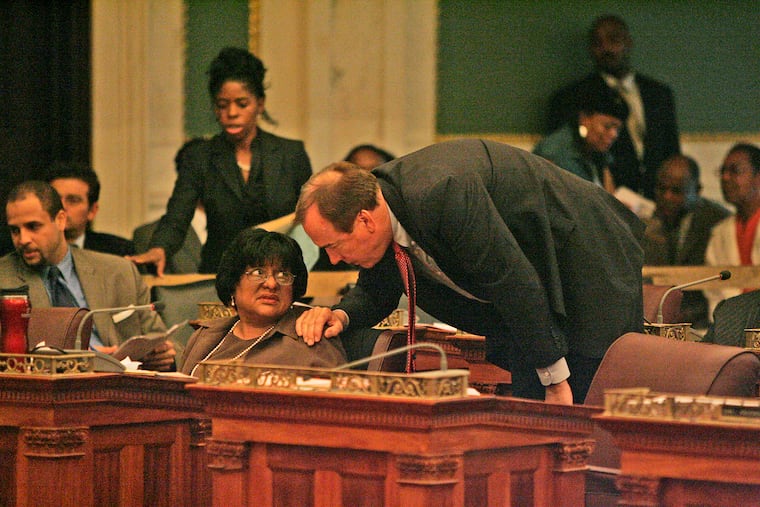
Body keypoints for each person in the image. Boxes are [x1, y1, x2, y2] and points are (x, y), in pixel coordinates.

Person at [293, 139, 644, 405]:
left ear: (364, 220)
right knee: (530, 422)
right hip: (530, 305)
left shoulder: (440, 193)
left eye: (332, 246)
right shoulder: (383, 205)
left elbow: (511, 280)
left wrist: (554, 380)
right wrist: (340, 315)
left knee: (581, 420)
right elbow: (378, 288)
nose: (333, 260)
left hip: (586, 264)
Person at [128, 47, 312, 276]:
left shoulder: (290, 154)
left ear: (260, 104)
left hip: (280, 274)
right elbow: (178, 215)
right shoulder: (200, 157)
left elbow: (311, 220)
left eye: (242, 104)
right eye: (222, 105)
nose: (231, 113)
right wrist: (159, 248)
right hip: (221, 275)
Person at [0, 181, 174, 370]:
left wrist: (164, 355)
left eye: (33, 227)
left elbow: (164, 340)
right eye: (15, 230)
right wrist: (89, 358)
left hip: (125, 384)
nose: (23, 239)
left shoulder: (119, 272)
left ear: (60, 220)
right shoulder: (5, 278)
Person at [547, 14, 680, 200]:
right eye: (597, 43)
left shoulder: (659, 94)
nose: (606, 48)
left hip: (656, 201)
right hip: (602, 201)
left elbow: (671, 151)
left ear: (628, 42)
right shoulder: (572, 97)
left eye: (613, 40)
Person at [180, 228, 347, 376]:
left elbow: (337, 405)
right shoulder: (205, 336)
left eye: (283, 275)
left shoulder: (313, 336)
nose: (272, 284)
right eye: (258, 272)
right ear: (233, 281)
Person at [642, 154, 730, 327]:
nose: (667, 197)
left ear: (697, 191)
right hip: (660, 318)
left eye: (676, 191)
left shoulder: (718, 222)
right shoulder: (649, 221)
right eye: (661, 189)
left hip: (705, 321)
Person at [534, 80, 628, 191]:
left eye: (617, 129)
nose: (614, 134)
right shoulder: (553, 153)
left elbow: (610, 197)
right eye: (607, 126)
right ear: (584, 119)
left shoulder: (598, 152)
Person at [704, 143, 760, 318]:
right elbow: (715, 293)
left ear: (758, 177)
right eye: (723, 171)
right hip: (731, 327)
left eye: (735, 171)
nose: (725, 178)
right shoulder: (719, 233)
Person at [45, 161, 135, 257]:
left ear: (92, 211)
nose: (61, 207)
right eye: (55, 199)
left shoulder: (118, 251)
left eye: (73, 200)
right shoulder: (30, 248)